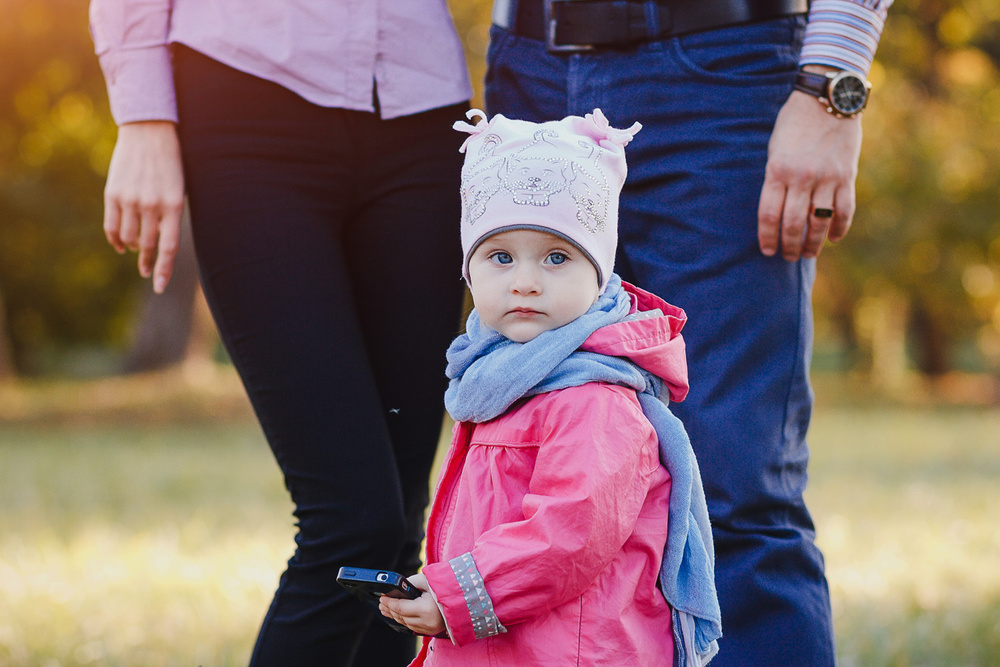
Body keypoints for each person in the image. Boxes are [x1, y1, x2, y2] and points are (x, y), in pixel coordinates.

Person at [482, 0, 893, 664]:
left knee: (729, 490)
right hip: (528, 76)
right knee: (536, 488)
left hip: (720, 67)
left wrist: (831, 87)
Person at [88, 2, 471, 665]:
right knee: (353, 519)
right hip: (246, 102)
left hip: (419, 104)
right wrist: (142, 114)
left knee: (399, 529)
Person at [380, 109, 721, 666]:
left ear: (600, 271)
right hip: (503, 642)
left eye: (557, 257)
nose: (525, 281)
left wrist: (459, 597)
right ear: (470, 271)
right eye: (500, 256)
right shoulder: (499, 380)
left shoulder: (592, 398)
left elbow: (569, 532)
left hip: (572, 651)